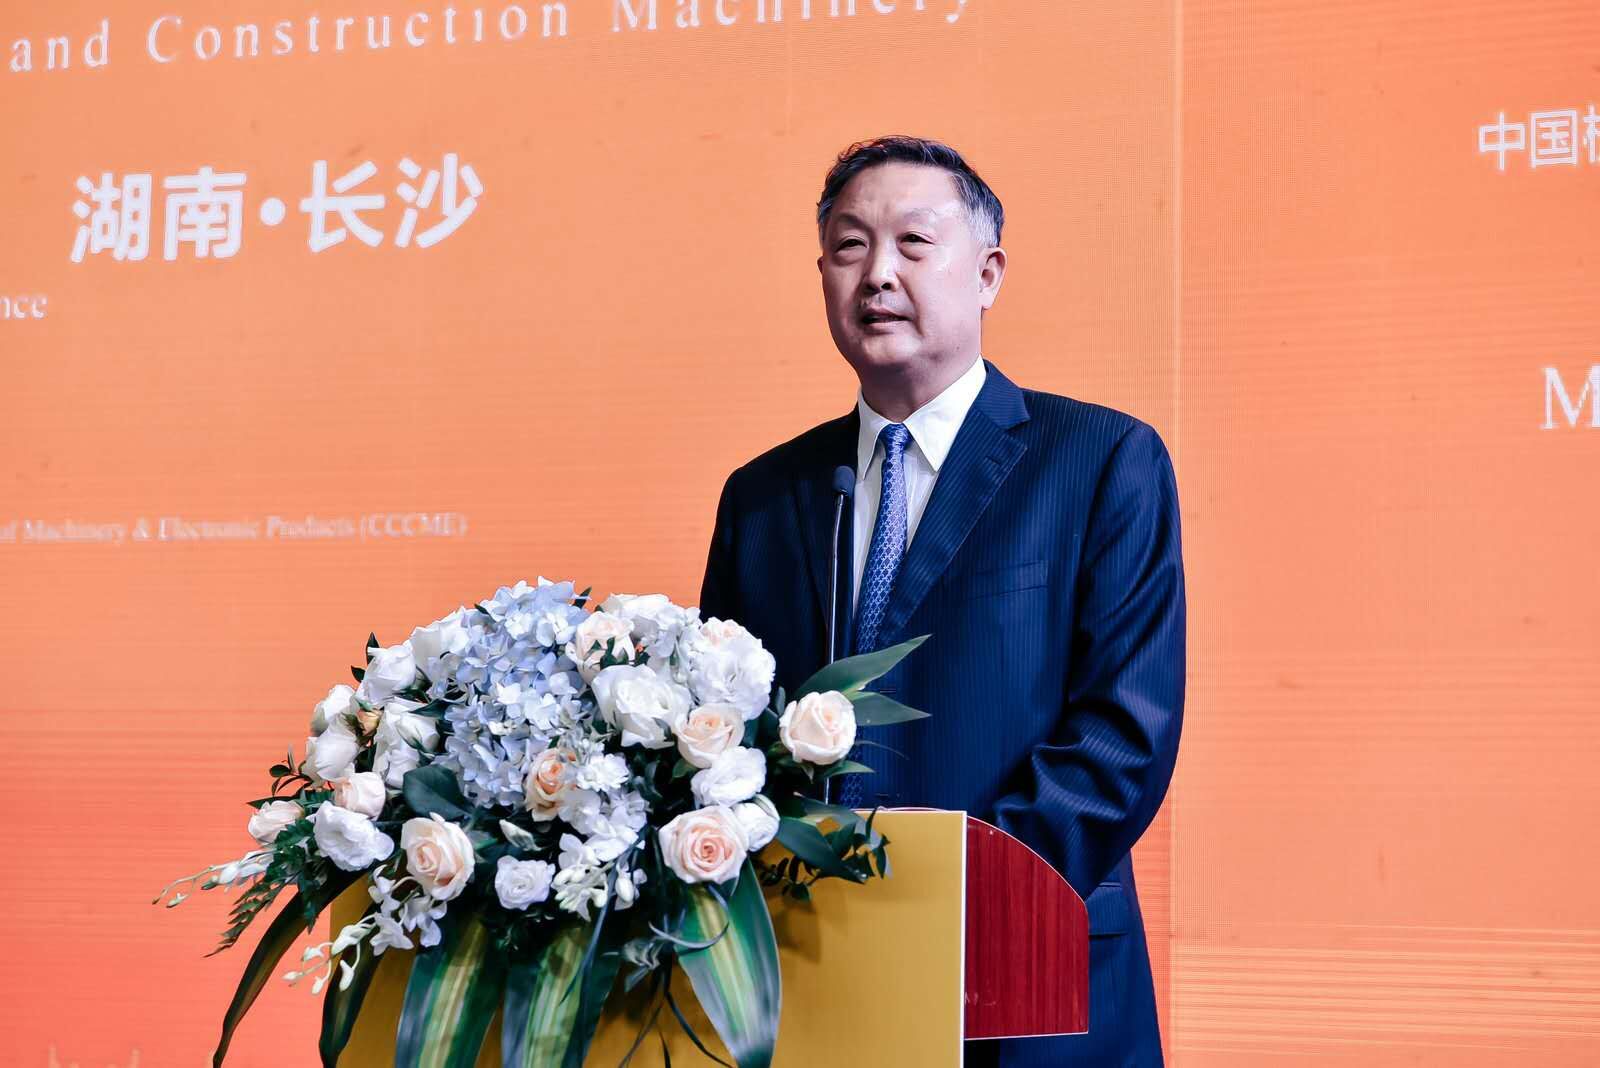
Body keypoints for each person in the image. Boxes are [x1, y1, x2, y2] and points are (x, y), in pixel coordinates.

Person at [698, 135, 1184, 1066]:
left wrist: (939, 902)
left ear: (988, 274)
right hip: (807, 978)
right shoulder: (762, 497)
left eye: (914, 243)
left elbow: (1123, 735)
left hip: (1026, 976)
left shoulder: (1099, 461)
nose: (878, 274)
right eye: (849, 247)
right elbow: (721, 738)